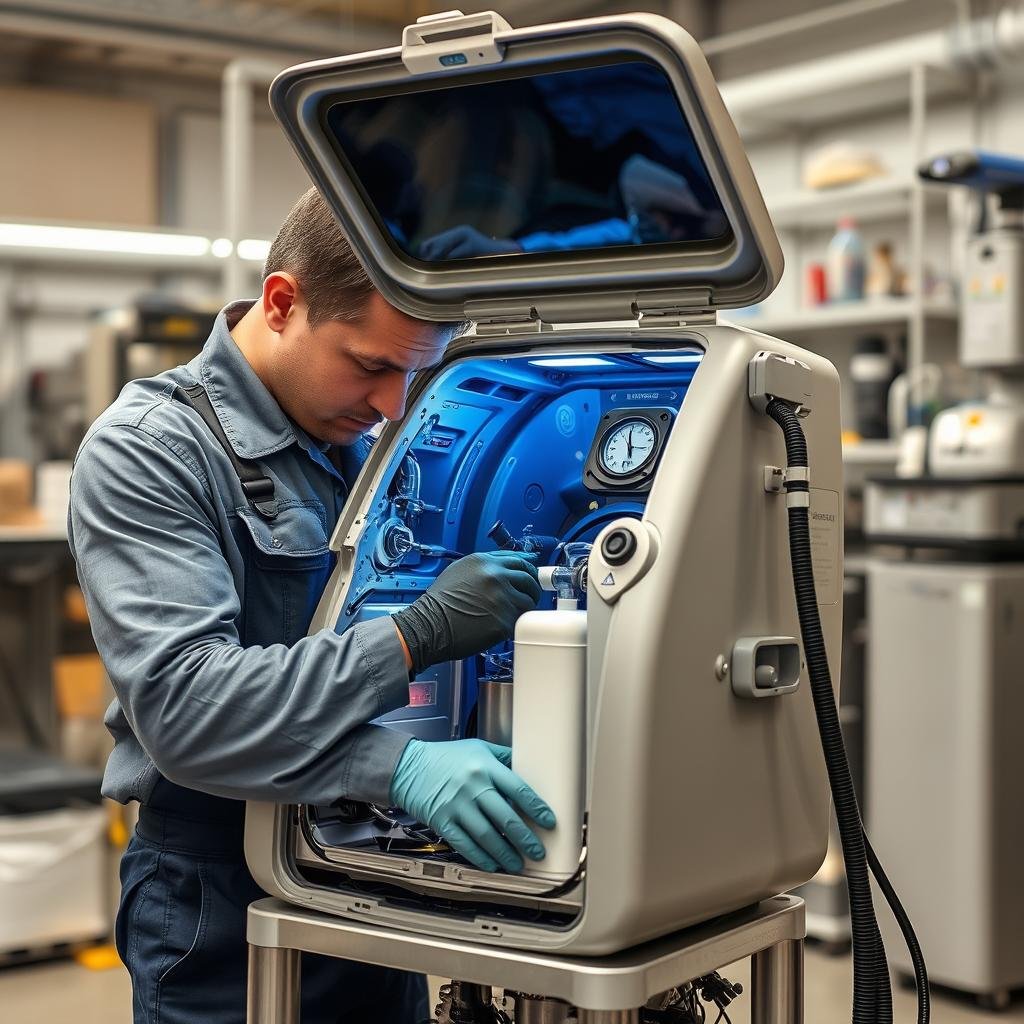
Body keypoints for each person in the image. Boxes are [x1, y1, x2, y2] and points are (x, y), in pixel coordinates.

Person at [68, 187, 556, 1024]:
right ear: (283, 302)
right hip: (219, 899)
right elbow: (189, 710)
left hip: (369, 868)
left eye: (415, 372)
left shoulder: (364, 446)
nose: (394, 406)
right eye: (371, 365)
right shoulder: (152, 450)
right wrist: (414, 657)